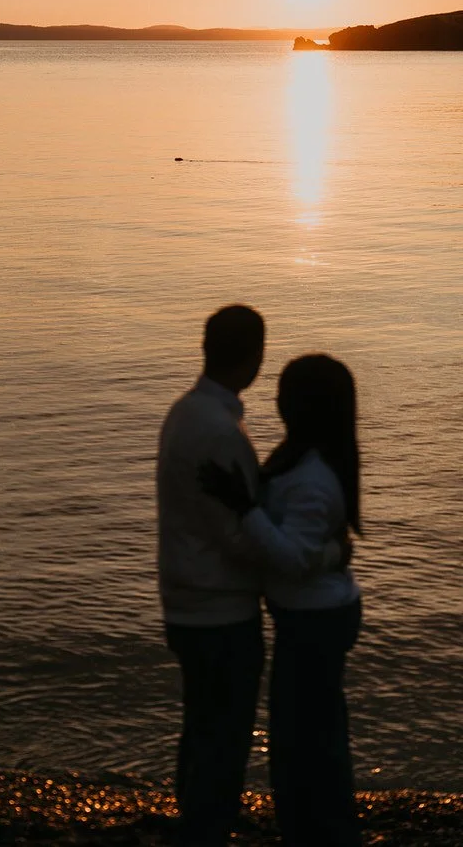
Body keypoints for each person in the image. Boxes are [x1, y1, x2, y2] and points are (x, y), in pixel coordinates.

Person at [157, 308, 343, 847]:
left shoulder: (184, 413)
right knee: (224, 738)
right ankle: (205, 830)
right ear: (256, 358)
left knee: (202, 728)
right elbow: (240, 535)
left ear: (205, 348)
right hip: (219, 608)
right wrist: (320, 555)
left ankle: (196, 822)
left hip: (186, 598)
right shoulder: (221, 431)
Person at [200, 354, 363, 847]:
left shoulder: (312, 476)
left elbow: (292, 558)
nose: (276, 401)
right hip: (311, 618)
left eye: (285, 394)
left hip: (316, 623)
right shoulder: (303, 457)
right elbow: (306, 552)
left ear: (306, 406)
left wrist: (243, 507)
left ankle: (321, 831)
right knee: (311, 734)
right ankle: (318, 828)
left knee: (304, 740)